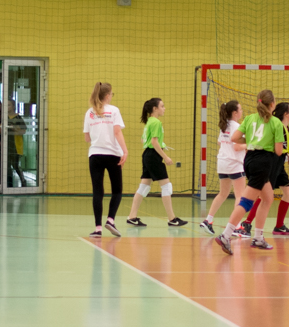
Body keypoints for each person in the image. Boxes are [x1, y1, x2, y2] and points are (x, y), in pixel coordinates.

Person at [214, 90, 286, 254]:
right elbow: (278, 151)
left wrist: (252, 140)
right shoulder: (276, 122)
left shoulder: (249, 118)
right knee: (246, 202)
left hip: (250, 160)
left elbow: (234, 138)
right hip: (263, 162)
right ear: (272, 104)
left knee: (267, 198)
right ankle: (226, 235)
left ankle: (258, 237)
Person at [126, 98, 187, 227]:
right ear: (155, 108)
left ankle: (132, 216)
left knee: (144, 187)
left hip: (147, 155)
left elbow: (143, 140)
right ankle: (172, 219)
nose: (164, 108)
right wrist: (166, 157)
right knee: (166, 186)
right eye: (162, 106)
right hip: (153, 156)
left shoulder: (149, 121)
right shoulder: (156, 122)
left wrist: (161, 144)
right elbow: (154, 142)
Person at [242, 102, 289, 235]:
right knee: (264, 195)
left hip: (279, 163)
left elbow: (280, 145)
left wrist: (287, 154)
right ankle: (246, 223)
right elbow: (270, 143)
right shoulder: (276, 125)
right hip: (272, 163)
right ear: (286, 114)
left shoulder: (285, 127)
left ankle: (279, 226)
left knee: (288, 192)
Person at [83, 82, 128, 238]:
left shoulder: (89, 112)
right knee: (117, 190)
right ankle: (110, 220)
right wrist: (125, 150)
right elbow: (117, 132)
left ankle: (98, 228)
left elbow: (87, 138)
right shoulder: (114, 110)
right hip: (112, 154)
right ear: (108, 95)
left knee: (98, 191)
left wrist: (98, 135)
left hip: (95, 155)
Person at [200, 100, 247, 235]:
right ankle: (237, 226)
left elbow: (220, 142)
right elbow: (237, 147)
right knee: (240, 196)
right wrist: (250, 145)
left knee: (223, 194)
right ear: (235, 113)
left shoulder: (224, 125)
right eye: (240, 109)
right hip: (234, 164)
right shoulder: (238, 127)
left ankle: (208, 220)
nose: (242, 111)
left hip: (222, 163)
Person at [6, 98, 28, 188]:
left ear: (13, 106)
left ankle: (23, 179)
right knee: (6, 164)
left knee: (15, 164)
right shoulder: (4, 117)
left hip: (15, 145)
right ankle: (8, 183)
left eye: (9, 105)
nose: (7, 107)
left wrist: (15, 128)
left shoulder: (18, 117)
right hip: (6, 143)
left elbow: (23, 131)